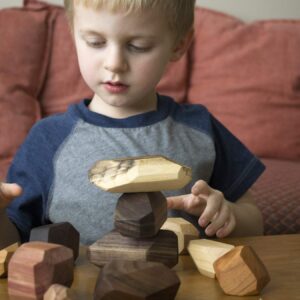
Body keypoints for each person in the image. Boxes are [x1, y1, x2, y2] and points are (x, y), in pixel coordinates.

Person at [0, 0, 264, 247]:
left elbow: (255, 222)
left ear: (179, 44)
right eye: (95, 42)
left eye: (138, 46)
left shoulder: (201, 128)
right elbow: (12, 239)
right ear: (73, 34)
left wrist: (229, 216)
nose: (114, 63)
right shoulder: (47, 139)